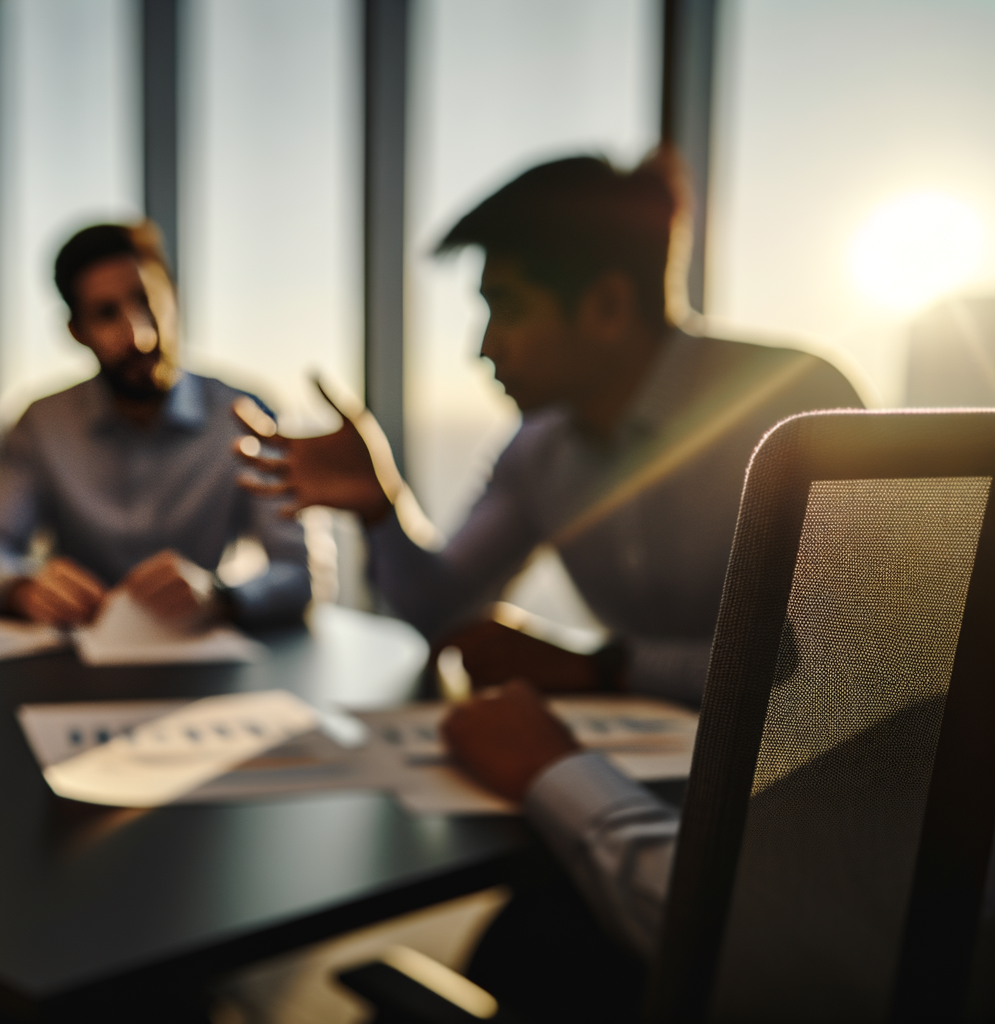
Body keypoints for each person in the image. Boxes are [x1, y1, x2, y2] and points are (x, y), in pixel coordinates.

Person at [236, 152, 861, 1018]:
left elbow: (836, 683)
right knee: (523, 957)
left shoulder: (791, 407)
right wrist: (377, 510)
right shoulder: (542, 450)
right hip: (645, 806)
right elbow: (445, 608)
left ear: (605, 306)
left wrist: (606, 667)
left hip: (789, 837)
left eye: (505, 309)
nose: (482, 346)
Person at [0, 222, 308, 630]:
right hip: (77, 663)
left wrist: (220, 595)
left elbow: (298, 571)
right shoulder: (40, 425)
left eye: (147, 301)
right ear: (77, 332)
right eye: (106, 314)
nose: (139, 335)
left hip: (201, 657)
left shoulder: (246, 416)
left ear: (174, 300)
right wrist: (20, 587)